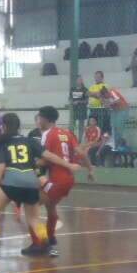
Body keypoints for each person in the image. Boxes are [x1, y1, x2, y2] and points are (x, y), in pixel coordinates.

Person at [0, 113, 80, 260]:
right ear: (19, 127)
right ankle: (48, 248)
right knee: (34, 219)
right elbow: (49, 156)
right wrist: (68, 164)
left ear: (4, 127)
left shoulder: (3, 143)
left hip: (12, 181)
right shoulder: (29, 141)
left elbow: (1, 168)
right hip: (31, 182)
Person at [37, 106, 95, 256]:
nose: (37, 120)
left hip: (57, 180)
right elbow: (81, 153)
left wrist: (27, 165)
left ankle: (43, 245)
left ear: (45, 119)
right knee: (50, 207)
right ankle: (51, 238)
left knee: (32, 205)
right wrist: (90, 169)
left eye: (39, 117)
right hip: (68, 179)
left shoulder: (47, 135)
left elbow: (46, 159)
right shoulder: (67, 133)